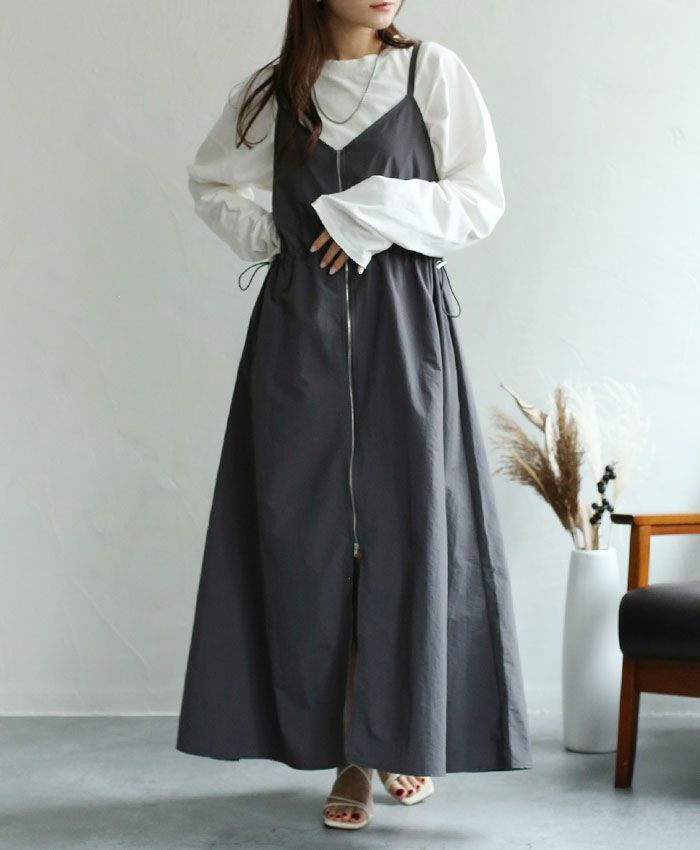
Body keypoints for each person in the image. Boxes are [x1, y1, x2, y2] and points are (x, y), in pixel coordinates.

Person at [176, 0, 532, 832]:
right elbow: (211, 182)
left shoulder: (428, 71)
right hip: (297, 332)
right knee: (309, 539)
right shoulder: (272, 92)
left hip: (405, 329)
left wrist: (367, 210)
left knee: (409, 527)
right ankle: (349, 753)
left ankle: (404, 731)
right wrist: (285, 235)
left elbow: (477, 199)